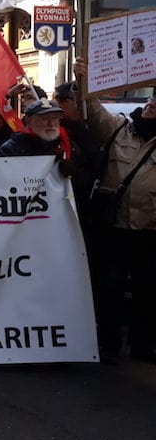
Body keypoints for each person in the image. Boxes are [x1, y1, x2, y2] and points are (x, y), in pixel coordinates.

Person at [75, 58, 156, 362]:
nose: (151, 104)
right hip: (116, 227)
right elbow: (92, 109)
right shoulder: (120, 130)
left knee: (148, 292)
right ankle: (108, 344)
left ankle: (143, 346)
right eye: (151, 99)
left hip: (150, 229)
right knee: (111, 287)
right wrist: (84, 79)